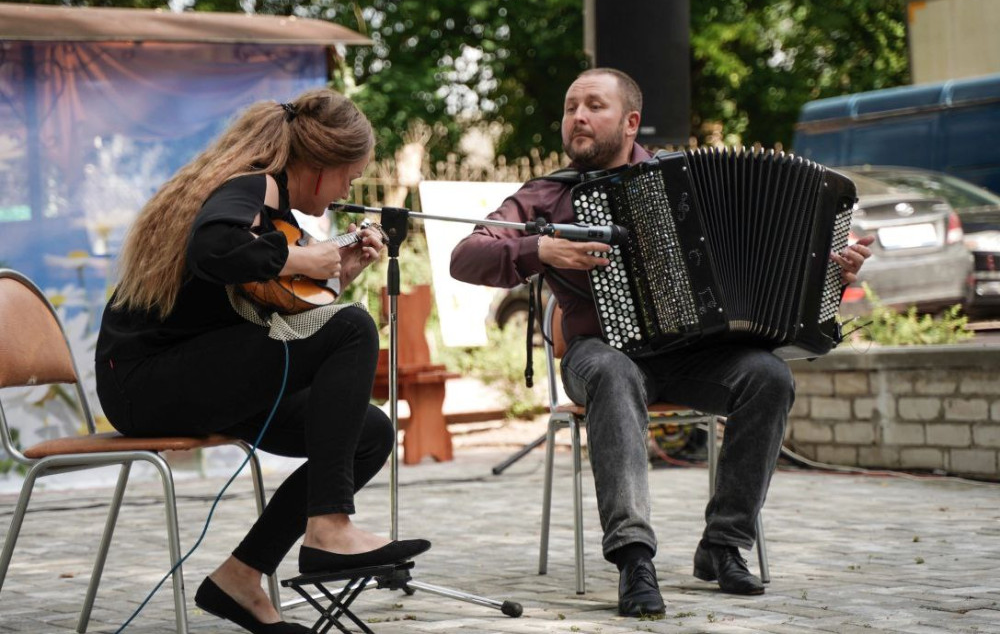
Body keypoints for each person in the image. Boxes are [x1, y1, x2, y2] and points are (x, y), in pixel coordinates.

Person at [450, 68, 874, 617]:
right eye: (571, 107)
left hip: (693, 357)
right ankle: (634, 559)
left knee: (769, 377)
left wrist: (833, 275)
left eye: (594, 106)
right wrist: (539, 250)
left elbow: (782, 274)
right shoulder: (547, 195)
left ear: (630, 122)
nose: (578, 117)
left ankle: (723, 546)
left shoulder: (683, 181)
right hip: (598, 353)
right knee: (614, 372)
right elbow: (466, 256)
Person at [95, 89, 430, 634]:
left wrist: (336, 275)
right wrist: (302, 257)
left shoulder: (269, 208)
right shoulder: (253, 184)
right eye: (349, 177)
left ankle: (241, 577)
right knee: (352, 327)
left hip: (200, 376)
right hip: (147, 383)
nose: (347, 191)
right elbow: (212, 249)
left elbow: (261, 305)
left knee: (369, 433)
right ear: (320, 166)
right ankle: (329, 527)